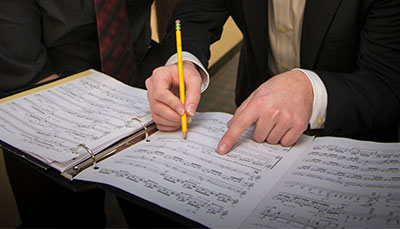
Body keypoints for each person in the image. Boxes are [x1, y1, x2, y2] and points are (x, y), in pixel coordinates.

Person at [0, 0, 177, 227]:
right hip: (49, 99)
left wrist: (175, 63)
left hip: (138, 79)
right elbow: (26, 71)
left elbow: (176, 9)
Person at [145, 0, 400, 155]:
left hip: (350, 130)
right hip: (255, 126)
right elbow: (194, 14)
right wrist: (185, 62)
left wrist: (311, 90)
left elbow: (387, 84)